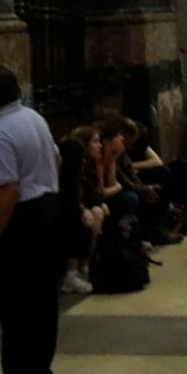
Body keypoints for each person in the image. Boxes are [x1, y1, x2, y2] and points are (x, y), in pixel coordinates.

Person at [0, 65, 64, 374]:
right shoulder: (33, 118)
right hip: (46, 210)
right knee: (42, 302)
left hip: (21, 220)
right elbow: (55, 159)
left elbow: (8, 190)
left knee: (15, 305)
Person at [59, 126, 110, 294]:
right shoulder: (72, 164)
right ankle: (71, 273)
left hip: (75, 207)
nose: (100, 146)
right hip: (64, 210)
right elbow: (70, 197)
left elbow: (94, 193)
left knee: (98, 211)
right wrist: (83, 210)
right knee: (82, 218)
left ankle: (84, 265)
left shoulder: (88, 166)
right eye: (95, 142)